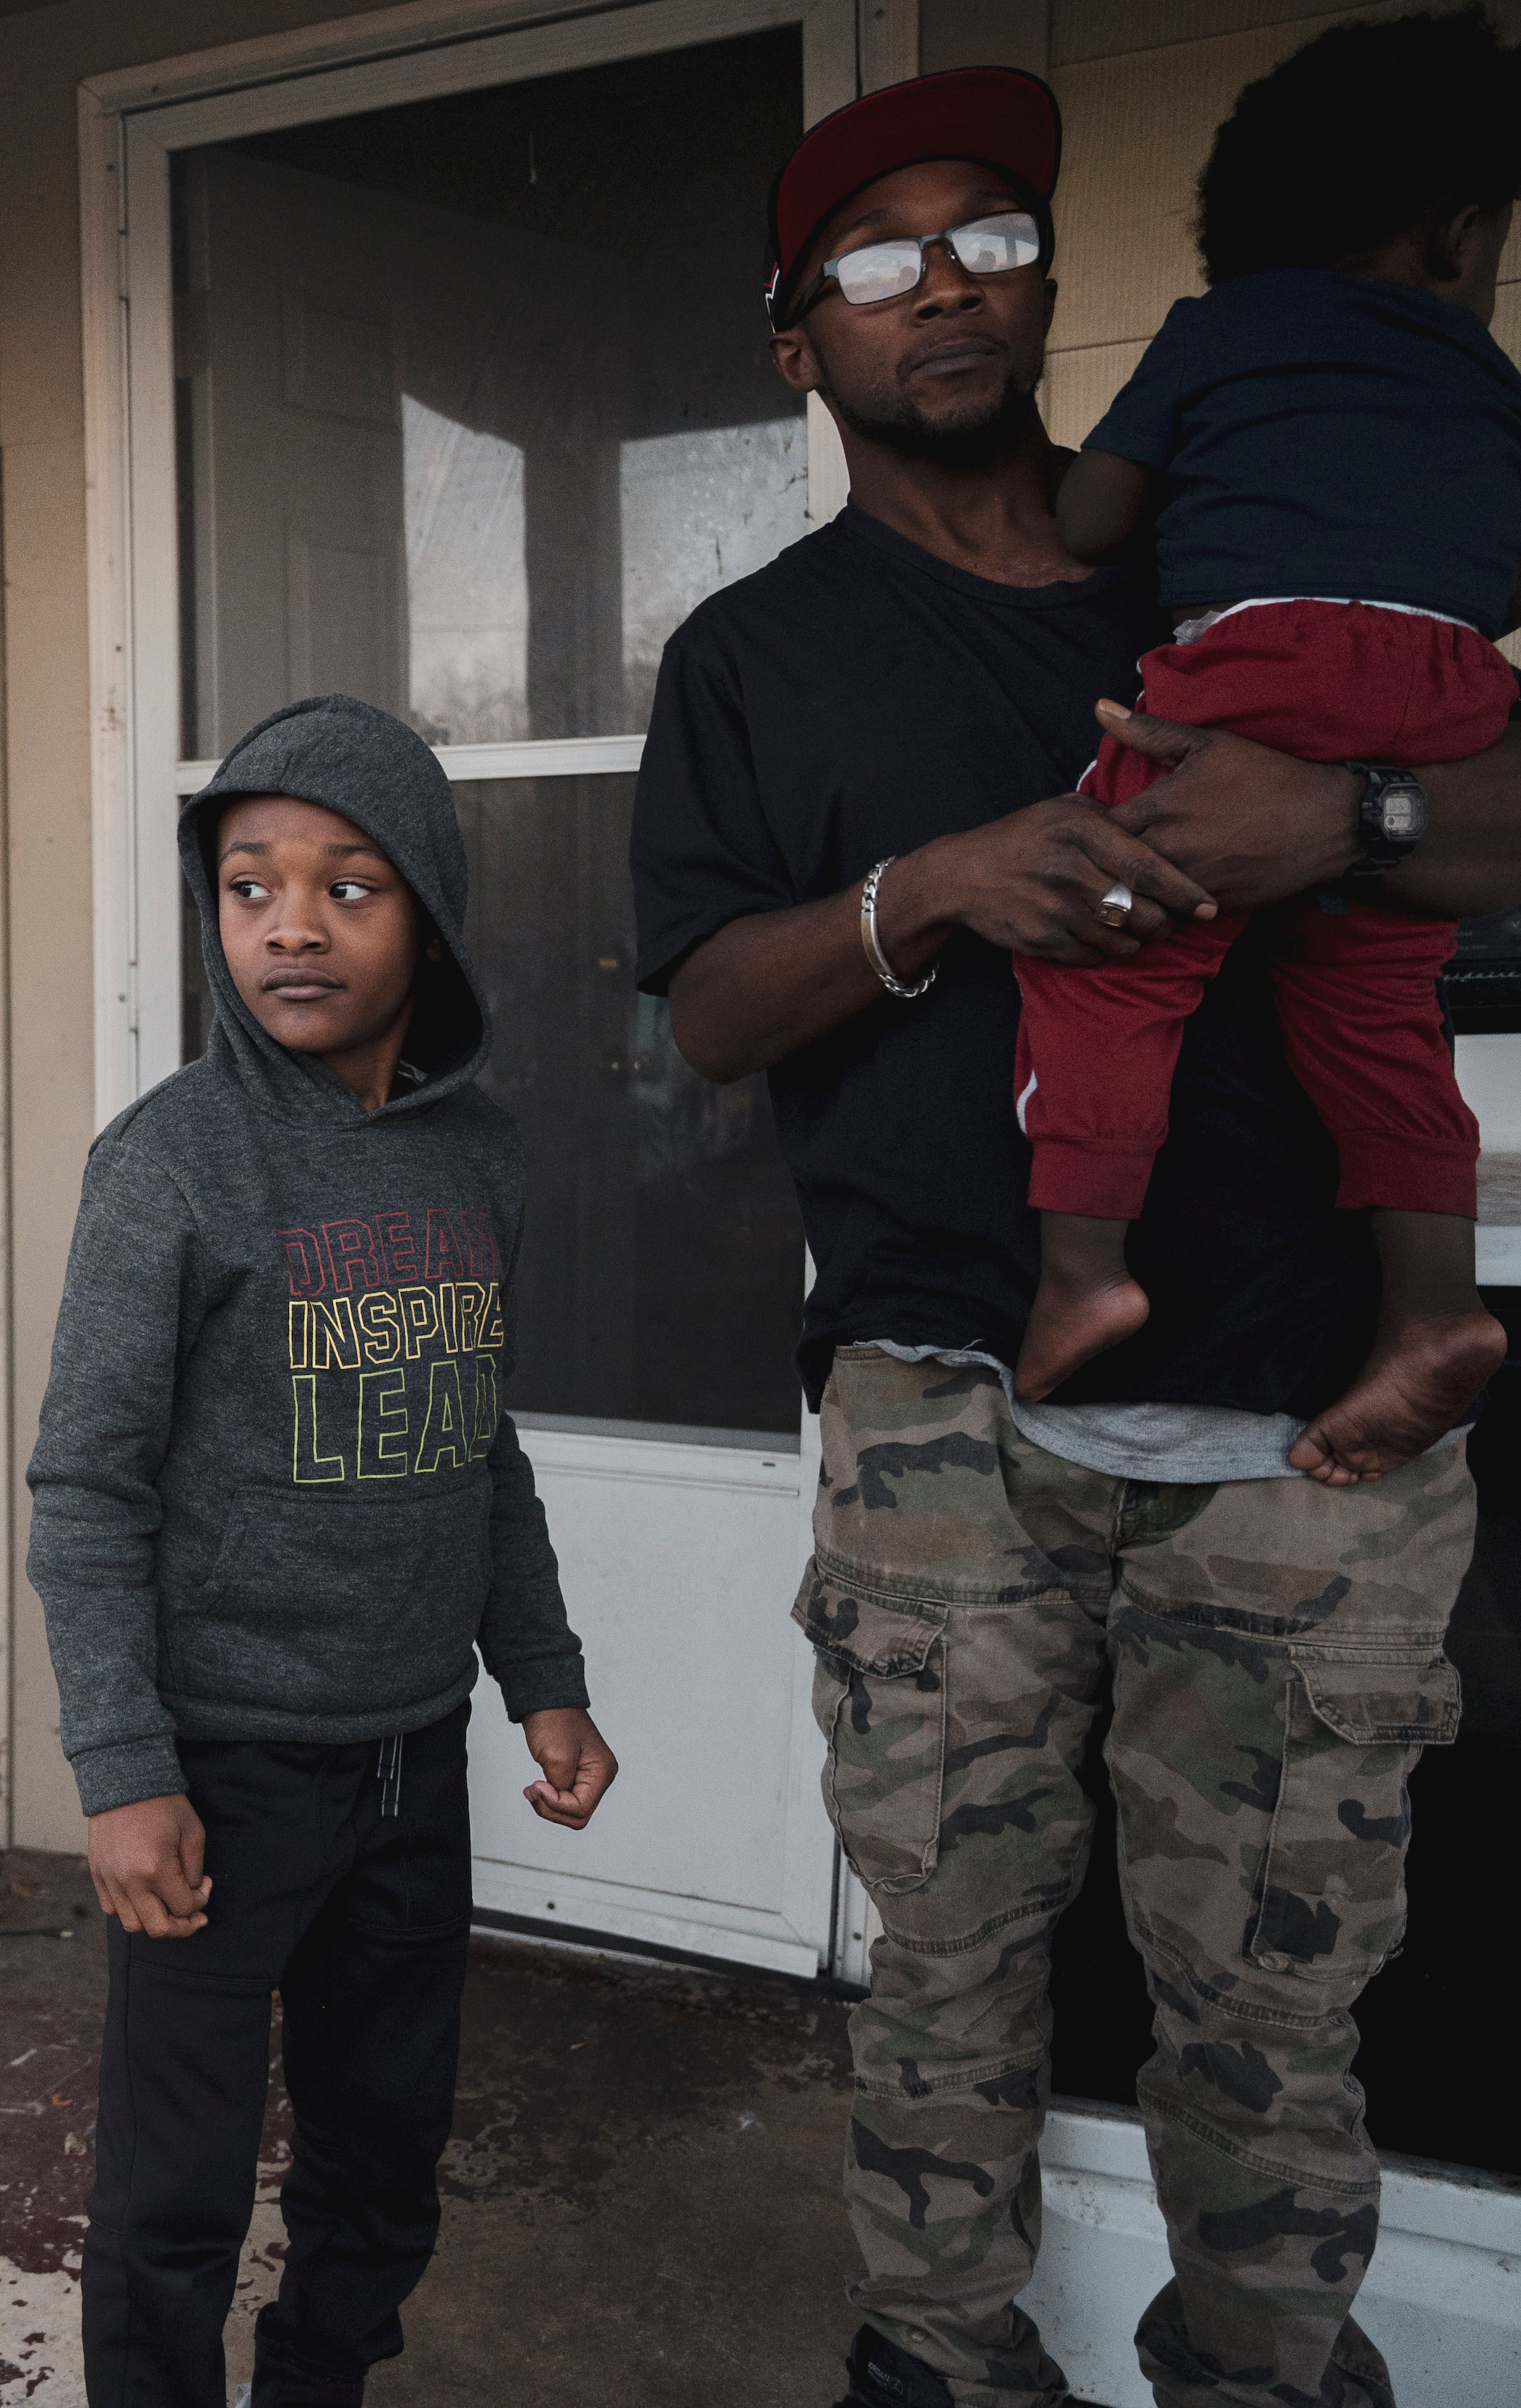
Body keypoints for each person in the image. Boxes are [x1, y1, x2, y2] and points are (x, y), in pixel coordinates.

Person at [632, 58, 1521, 2408]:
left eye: (993, 235)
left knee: (1277, 1986)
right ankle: (937, 2355)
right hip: (952, 1417)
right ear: (792, 337)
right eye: (880, 251)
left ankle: (1264, 2363)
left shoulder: (1223, 554)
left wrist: (1353, 810)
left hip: (1309, 1427)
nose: (948, 279)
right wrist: (930, 891)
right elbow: (716, 1006)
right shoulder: (751, 657)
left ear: (1049, 287)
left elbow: (1497, 800)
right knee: (952, 1954)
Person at [30, 694, 619, 2408]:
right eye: (248, 883)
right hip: (219, 1767)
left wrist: (547, 1679)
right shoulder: (171, 1164)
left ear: (426, 908)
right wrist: (125, 1766)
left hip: (405, 1762)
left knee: (381, 2159)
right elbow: (86, 1486)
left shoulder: (479, 1157)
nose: (290, 921)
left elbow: (473, 1442)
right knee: (175, 2191)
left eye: (348, 884)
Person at [1017, 10, 1521, 1463]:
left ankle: (1083, 1272)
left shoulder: (1221, 329)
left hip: (1254, 665)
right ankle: (1432, 1307)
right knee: (1378, 1019)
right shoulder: (1491, 390)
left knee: (1112, 946)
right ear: (1456, 230)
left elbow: (1090, 517)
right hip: (1442, 696)